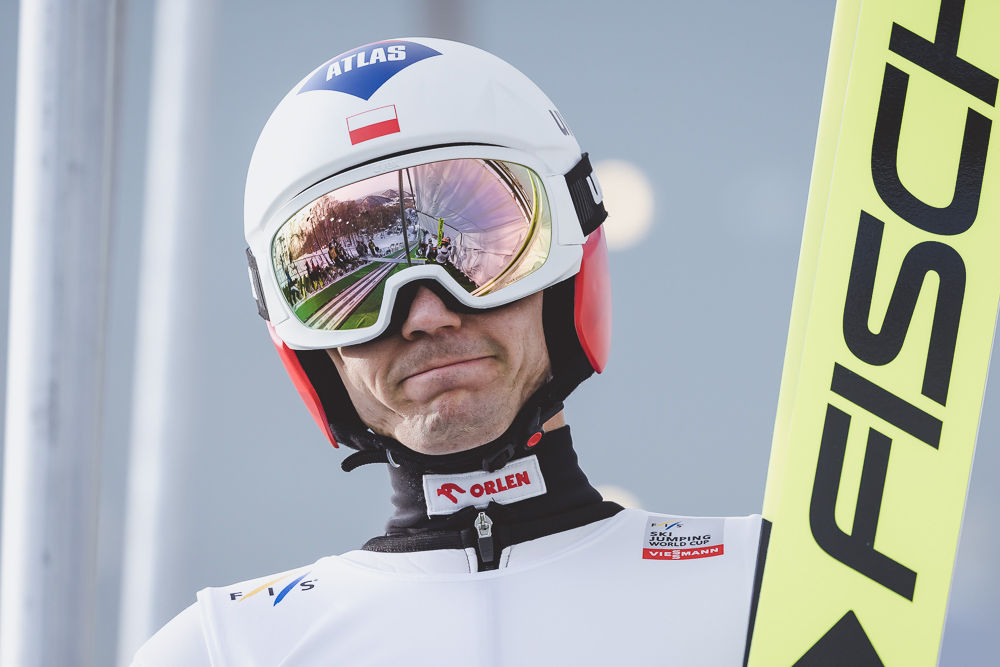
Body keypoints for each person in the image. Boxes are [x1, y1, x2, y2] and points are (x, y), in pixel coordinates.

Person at [132, 38, 762, 666]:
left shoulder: (762, 588)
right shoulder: (224, 649)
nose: (427, 315)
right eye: (349, 279)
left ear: (568, 265)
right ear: (313, 350)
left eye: (477, 247)